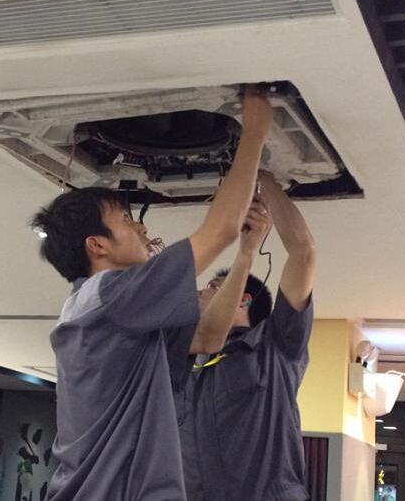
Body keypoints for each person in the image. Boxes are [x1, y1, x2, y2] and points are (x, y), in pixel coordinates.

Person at [31, 89, 273, 501]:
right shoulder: (109, 297)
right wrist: (255, 133)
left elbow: (208, 337)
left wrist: (247, 253)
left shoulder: (104, 309)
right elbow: (220, 231)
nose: (141, 227)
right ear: (97, 245)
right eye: (126, 220)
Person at [177, 170, 316, 501]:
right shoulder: (186, 361)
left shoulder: (276, 346)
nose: (198, 292)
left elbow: (304, 251)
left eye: (211, 286)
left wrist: (262, 177)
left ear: (242, 298)